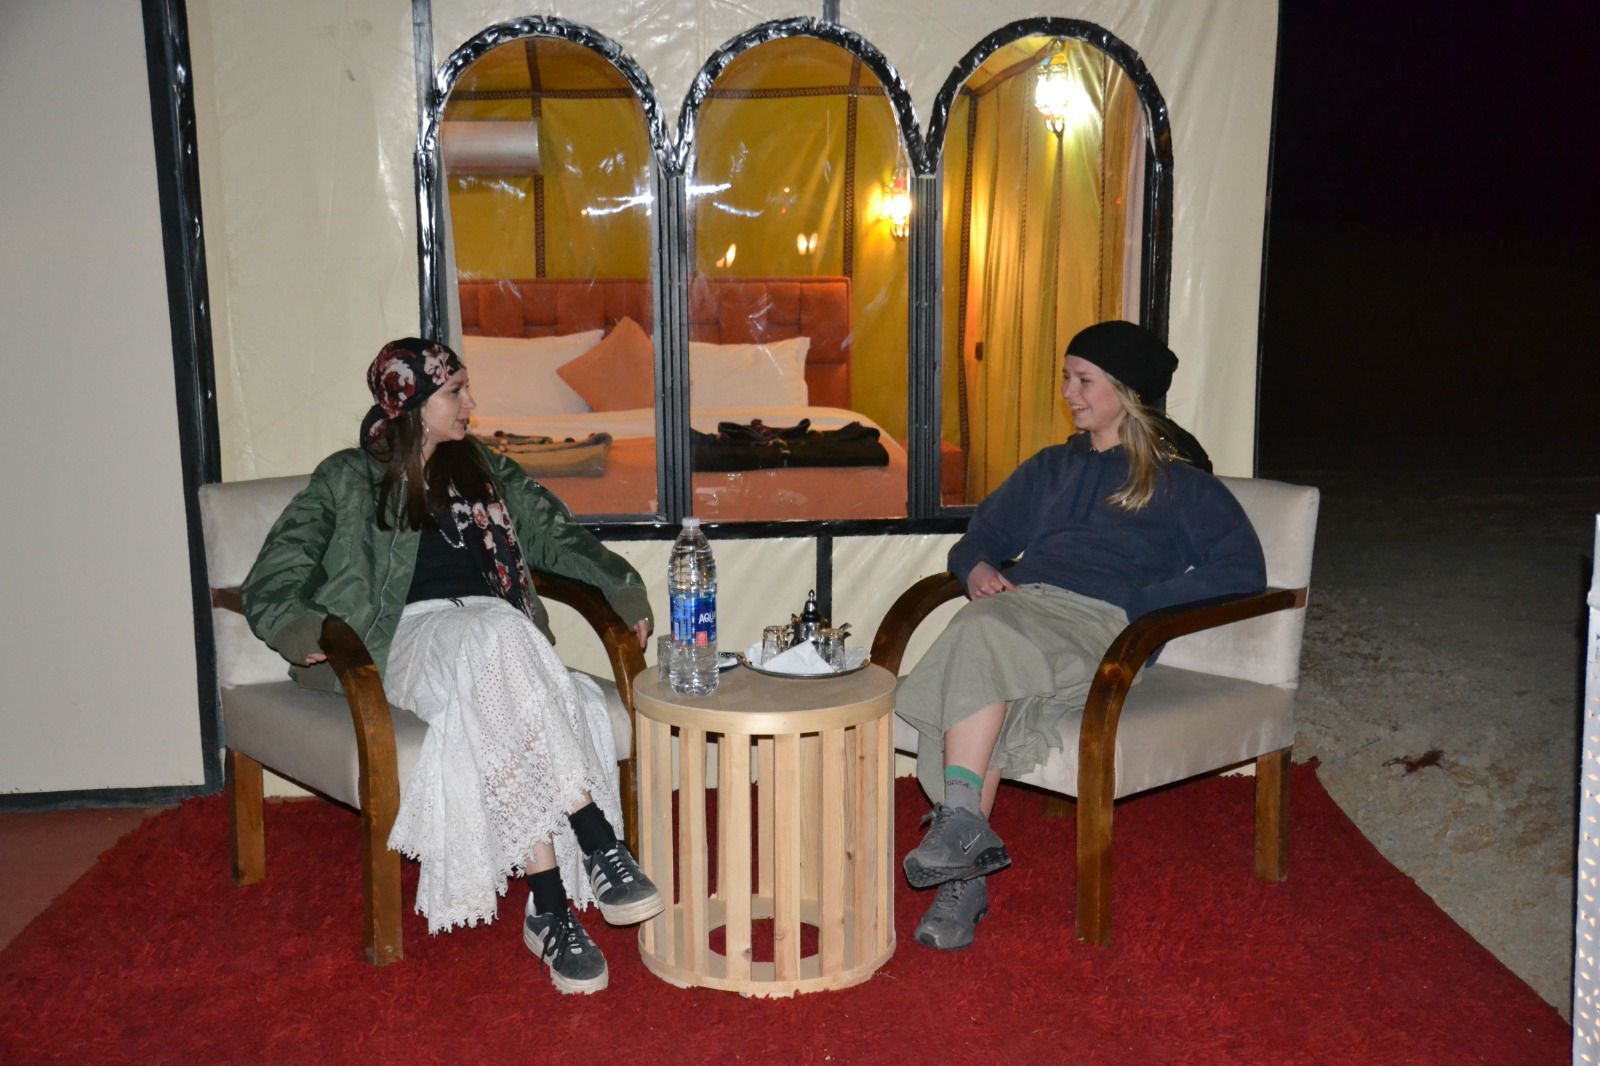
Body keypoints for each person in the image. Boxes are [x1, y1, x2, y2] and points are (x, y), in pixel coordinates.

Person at [242, 337, 661, 995]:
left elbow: (556, 534)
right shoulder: (346, 478)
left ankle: (550, 908)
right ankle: (598, 838)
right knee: (501, 635)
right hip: (404, 639)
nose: (471, 403)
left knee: (500, 661)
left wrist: (622, 587)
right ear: (410, 402)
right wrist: (298, 627)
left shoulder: (487, 469)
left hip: (495, 646)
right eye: (455, 391)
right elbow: (275, 572)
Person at [896, 320, 1267, 951]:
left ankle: (959, 834)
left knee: (976, 638)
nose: (1068, 391)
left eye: (1083, 379)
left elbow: (1243, 568)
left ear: (1125, 391)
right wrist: (976, 566)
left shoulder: (1179, 483)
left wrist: (1146, 603)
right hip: (1025, 614)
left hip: (1101, 626)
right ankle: (964, 862)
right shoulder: (1052, 468)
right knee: (993, 682)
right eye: (1066, 376)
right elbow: (983, 536)